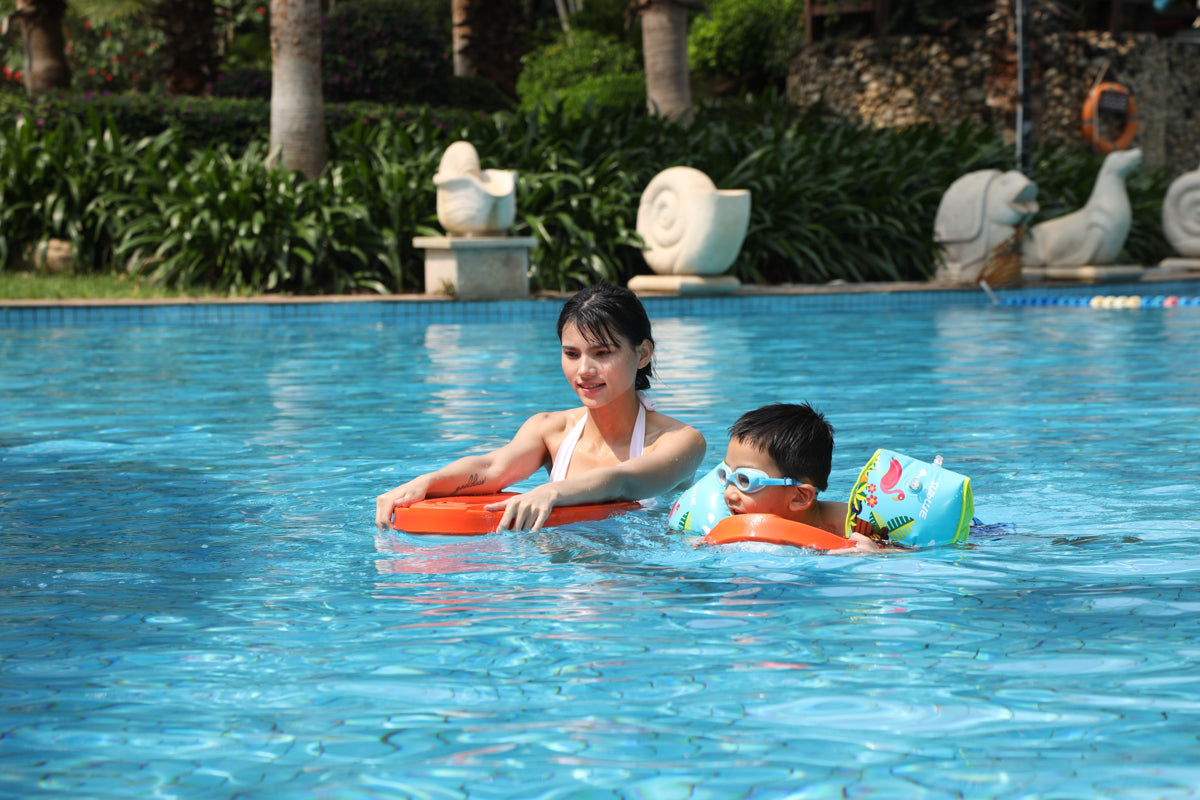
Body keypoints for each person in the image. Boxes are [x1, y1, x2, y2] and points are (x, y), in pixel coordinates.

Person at [375, 283, 707, 532]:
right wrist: (425, 484)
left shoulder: (681, 441)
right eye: (572, 354)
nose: (584, 371)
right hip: (562, 582)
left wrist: (551, 492)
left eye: (602, 353)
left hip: (643, 584)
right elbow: (493, 469)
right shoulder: (551, 431)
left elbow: (621, 482)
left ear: (643, 354)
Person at [719, 402, 892, 553]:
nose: (729, 494)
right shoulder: (722, 519)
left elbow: (905, 555)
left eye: (745, 480)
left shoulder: (856, 528)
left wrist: (875, 555)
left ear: (799, 497)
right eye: (725, 475)